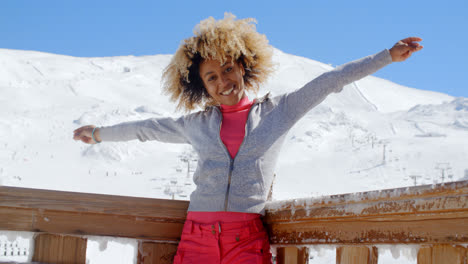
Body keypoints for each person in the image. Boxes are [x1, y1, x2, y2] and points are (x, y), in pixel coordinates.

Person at [73, 13, 422, 264]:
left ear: (243, 66)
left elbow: (329, 82)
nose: (222, 80)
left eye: (227, 68)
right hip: (196, 240)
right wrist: (99, 134)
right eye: (211, 77)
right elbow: (146, 129)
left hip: (246, 242)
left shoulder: (279, 112)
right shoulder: (197, 124)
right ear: (203, 87)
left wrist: (386, 57)